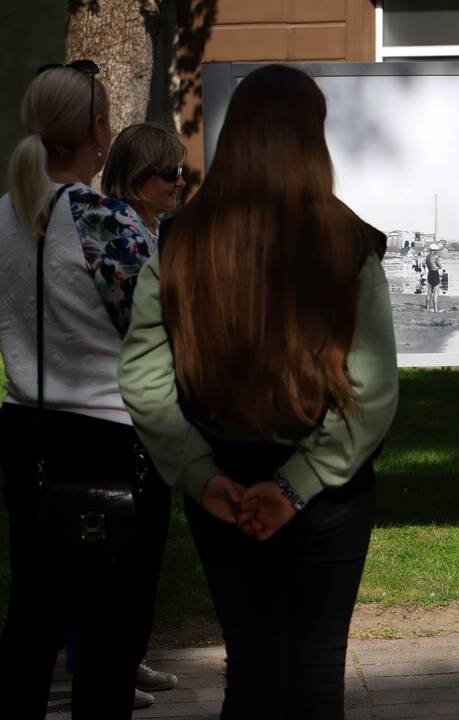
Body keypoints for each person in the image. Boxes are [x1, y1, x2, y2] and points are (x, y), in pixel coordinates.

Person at [118, 64, 399, 720]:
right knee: (314, 672)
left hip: (228, 485)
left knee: (251, 668)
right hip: (324, 487)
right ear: (313, 139)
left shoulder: (179, 241)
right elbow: (375, 390)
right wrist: (295, 484)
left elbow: (143, 377)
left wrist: (201, 476)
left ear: (233, 137)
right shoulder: (350, 242)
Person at [0, 61, 168, 719]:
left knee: (32, 621)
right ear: (99, 130)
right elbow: (160, 333)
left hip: (25, 435)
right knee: (108, 637)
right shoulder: (106, 222)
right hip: (111, 442)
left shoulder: (2, 218)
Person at [100, 121, 187, 707]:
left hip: (146, 406)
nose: (179, 181)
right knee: (126, 552)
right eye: (167, 173)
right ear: (135, 179)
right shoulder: (124, 234)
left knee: (141, 550)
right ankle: (112, 667)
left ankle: (125, 659)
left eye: (181, 170)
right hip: (126, 410)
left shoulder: (148, 231)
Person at [425, 242, 443, 311]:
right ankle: (435, 309)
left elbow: (427, 265)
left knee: (429, 292)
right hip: (435, 273)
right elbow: (440, 266)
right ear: (434, 250)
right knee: (436, 292)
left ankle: (427, 308)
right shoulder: (435, 257)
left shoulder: (427, 257)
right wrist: (437, 261)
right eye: (436, 250)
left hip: (429, 273)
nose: (436, 251)